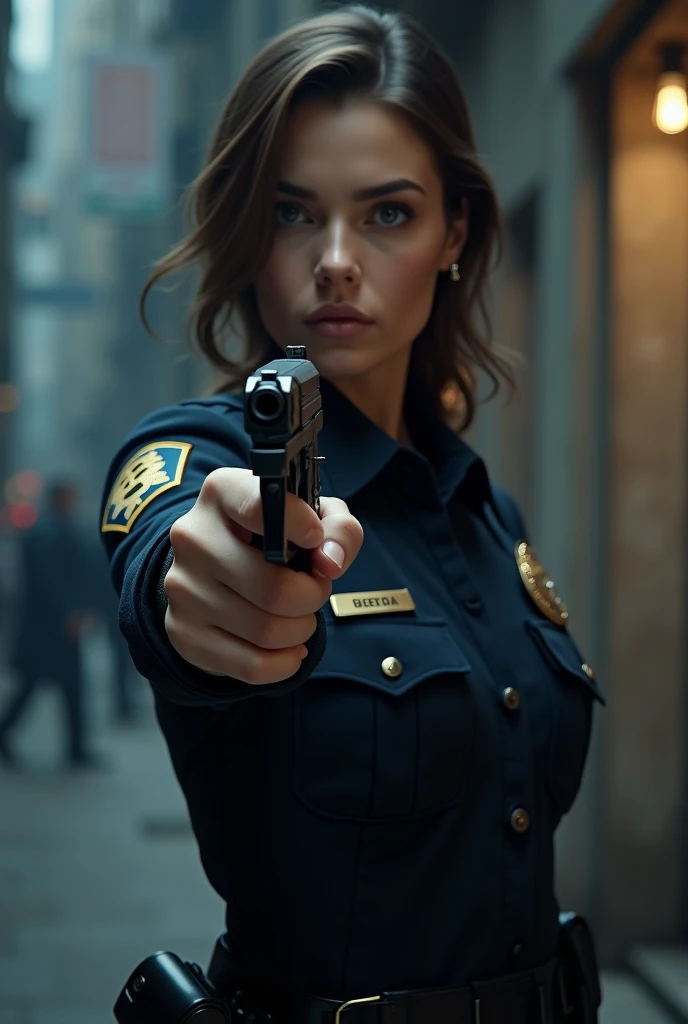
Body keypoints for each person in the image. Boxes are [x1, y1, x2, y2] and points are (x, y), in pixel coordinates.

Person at [100, 6, 604, 1022]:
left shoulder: (483, 507)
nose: (335, 259)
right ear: (249, 237)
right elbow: (173, 551)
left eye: (386, 214)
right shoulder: (199, 457)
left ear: (452, 232)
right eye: (292, 213)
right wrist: (202, 591)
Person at [0, 478, 105, 769]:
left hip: (54, 627)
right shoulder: (44, 533)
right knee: (38, 686)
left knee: (63, 688)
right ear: (60, 498)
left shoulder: (57, 528)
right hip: (48, 628)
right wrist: (69, 613)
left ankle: (76, 749)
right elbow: (49, 582)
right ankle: (74, 749)